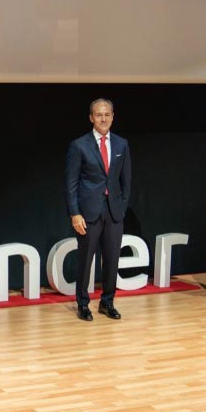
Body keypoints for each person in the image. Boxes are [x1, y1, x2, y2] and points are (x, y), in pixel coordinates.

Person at [65, 98, 132, 321]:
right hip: (88, 212)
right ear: (91, 117)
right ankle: (83, 304)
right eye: (99, 115)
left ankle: (107, 302)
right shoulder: (79, 145)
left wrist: (121, 207)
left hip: (114, 211)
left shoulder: (122, 144)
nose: (103, 118)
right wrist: (75, 213)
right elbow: (71, 183)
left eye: (107, 114)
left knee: (112, 259)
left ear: (113, 116)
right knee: (86, 260)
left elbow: (126, 181)